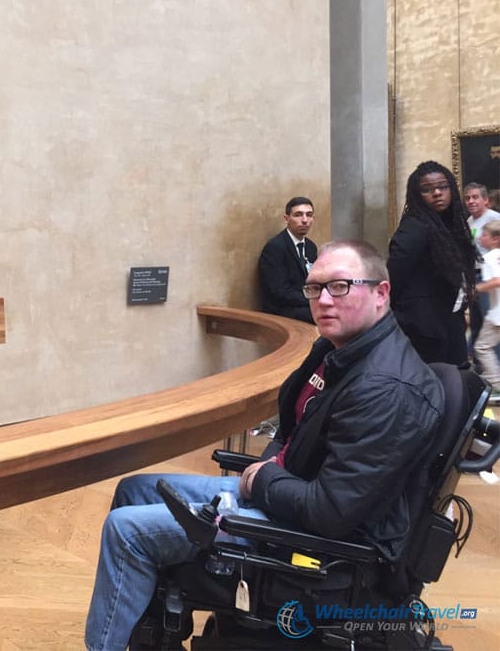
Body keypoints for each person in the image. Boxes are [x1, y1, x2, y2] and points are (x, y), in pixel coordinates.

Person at [84, 240, 443, 651]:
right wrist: (271, 468)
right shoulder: (338, 349)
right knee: (133, 489)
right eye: (314, 288)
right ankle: (143, 634)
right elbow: (293, 430)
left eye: (340, 286)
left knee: (126, 531)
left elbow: (332, 514)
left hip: (320, 546)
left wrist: (263, 479)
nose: (323, 300)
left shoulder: (387, 391)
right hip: (289, 494)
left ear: (381, 293)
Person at [387, 161, 477, 366]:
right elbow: (395, 276)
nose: (437, 193)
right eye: (427, 189)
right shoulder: (415, 227)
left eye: (443, 187)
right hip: (423, 327)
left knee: (457, 378)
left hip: (447, 318)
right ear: (417, 195)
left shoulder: (451, 223)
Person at [257, 197, 317, 323]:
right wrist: (312, 300)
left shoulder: (311, 247)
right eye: (298, 215)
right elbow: (279, 292)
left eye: (309, 215)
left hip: (304, 304)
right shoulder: (275, 248)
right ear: (286, 218)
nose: (305, 220)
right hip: (282, 310)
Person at [464, 183, 500, 363]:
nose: (471, 201)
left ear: (485, 200)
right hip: (474, 276)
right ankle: (481, 369)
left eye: (475, 197)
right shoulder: (469, 221)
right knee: (477, 322)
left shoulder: (494, 218)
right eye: (468, 198)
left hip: (490, 277)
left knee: (492, 324)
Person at [473, 220, 500, 395]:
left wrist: (476, 288)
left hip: (497, 313)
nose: (481, 238)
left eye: (485, 235)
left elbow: (497, 280)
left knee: (482, 347)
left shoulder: (490, 257)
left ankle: (496, 384)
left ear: (496, 239)